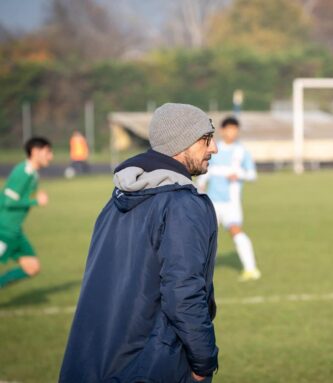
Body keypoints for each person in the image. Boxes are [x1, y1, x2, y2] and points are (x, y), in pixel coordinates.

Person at [60, 103, 219, 383]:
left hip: (97, 361)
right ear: (181, 143)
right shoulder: (182, 205)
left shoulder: (117, 199)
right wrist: (203, 363)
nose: (214, 148)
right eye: (206, 139)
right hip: (153, 365)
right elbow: (183, 292)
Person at [197, 116, 260, 282]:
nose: (232, 132)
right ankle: (200, 271)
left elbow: (252, 175)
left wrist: (239, 174)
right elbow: (206, 171)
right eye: (229, 129)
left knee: (235, 231)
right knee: (206, 235)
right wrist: (201, 184)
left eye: (235, 129)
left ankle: (251, 269)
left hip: (231, 203)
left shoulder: (241, 152)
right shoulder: (213, 149)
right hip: (212, 202)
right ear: (223, 130)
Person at [0, 137, 53, 288]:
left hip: (15, 232)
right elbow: (8, 202)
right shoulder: (23, 172)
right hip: (3, 230)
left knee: (32, 267)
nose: (51, 156)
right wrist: (36, 201)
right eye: (48, 152)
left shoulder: (34, 174)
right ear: (36, 152)